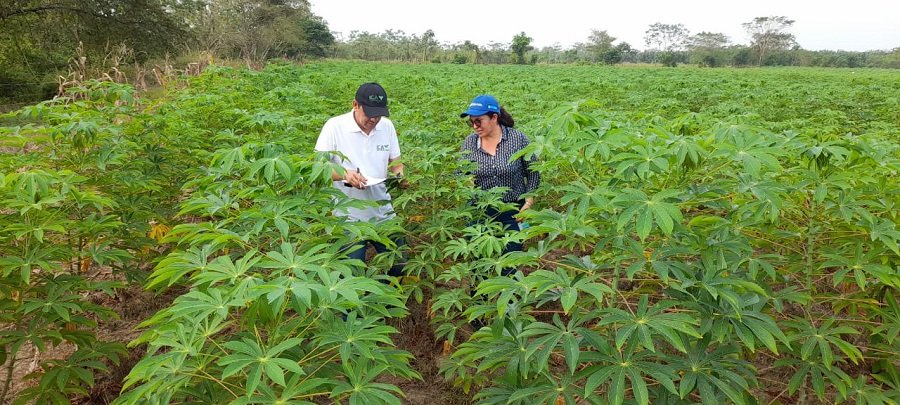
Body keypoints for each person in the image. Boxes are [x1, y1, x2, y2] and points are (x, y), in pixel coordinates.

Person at [315, 82, 405, 277]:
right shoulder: (334, 126)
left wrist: (399, 176)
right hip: (348, 216)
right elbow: (317, 168)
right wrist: (344, 173)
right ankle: (357, 307)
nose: (374, 119)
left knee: (398, 265)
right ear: (355, 105)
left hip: (383, 211)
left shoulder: (386, 126)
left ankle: (381, 301)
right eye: (370, 113)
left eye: (379, 114)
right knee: (352, 275)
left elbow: (396, 163)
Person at [460, 94, 540, 276]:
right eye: (471, 122)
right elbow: (461, 173)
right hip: (480, 213)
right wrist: (467, 182)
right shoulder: (470, 143)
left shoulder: (517, 139)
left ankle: (510, 303)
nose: (474, 127)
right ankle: (480, 302)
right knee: (479, 266)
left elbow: (533, 171)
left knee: (510, 265)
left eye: (479, 121)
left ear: (494, 117)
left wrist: (528, 203)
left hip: (513, 212)